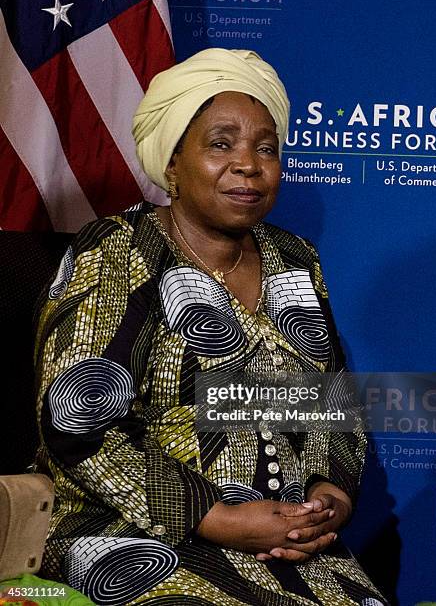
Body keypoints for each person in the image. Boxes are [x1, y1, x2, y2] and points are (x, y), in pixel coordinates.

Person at [34, 48, 387, 605]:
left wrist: (330, 495)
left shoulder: (295, 258)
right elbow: (76, 427)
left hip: (289, 542)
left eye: (265, 148)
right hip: (136, 535)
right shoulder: (117, 252)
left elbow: (331, 404)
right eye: (221, 144)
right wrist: (216, 517)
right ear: (172, 163)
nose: (249, 164)